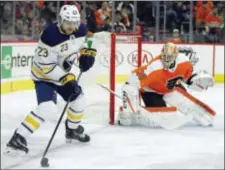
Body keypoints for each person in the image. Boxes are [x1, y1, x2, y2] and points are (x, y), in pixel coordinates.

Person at [6, 5, 96, 154]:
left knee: (79, 100)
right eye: (67, 23)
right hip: (44, 76)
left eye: (74, 23)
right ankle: (18, 137)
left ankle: (72, 130)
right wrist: (67, 78)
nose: (71, 27)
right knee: (48, 108)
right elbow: (45, 66)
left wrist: (87, 54)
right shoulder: (49, 35)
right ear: (60, 20)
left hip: (62, 76)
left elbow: (84, 42)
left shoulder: (80, 29)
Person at [118, 42, 215, 129]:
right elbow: (132, 82)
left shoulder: (184, 62)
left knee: (188, 105)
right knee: (162, 116)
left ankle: (204, 118)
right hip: (152, 91)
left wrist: (195, 81)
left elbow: (186, 77)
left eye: (170, 56)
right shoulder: (153, 68)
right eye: (164, 56)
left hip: (170, 89)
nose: (166, 59)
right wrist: (128, 96)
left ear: (176, 56)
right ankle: (125, 115)